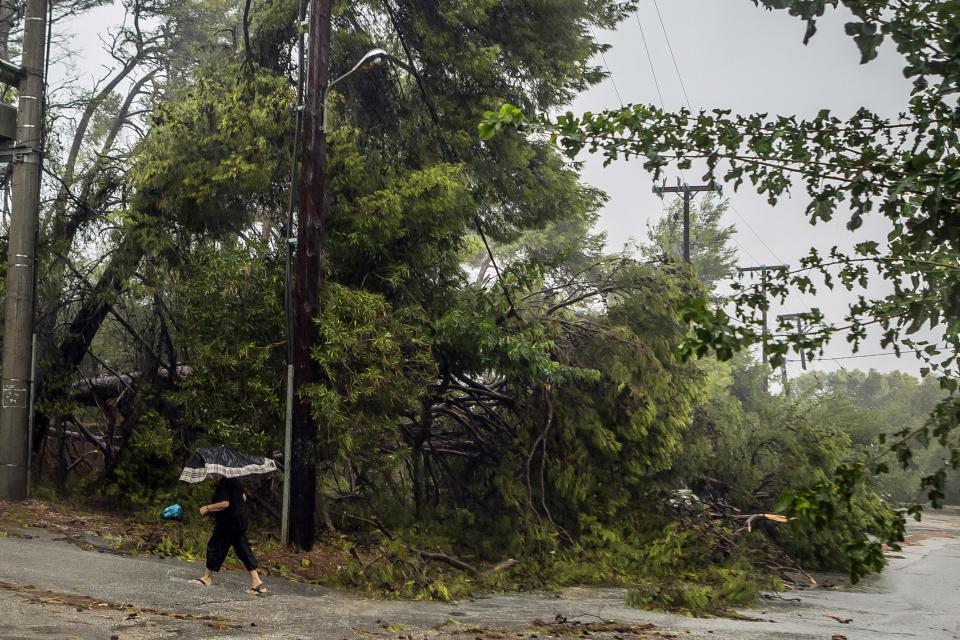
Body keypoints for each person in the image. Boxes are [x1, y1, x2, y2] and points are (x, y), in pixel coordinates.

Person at [191, 473, 267, 594]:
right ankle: (257, 581)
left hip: (228, 522)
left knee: (214, 545)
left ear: (220, 471)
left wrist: (207, 508)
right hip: (240, 521)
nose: (211, 475)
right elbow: (243, 498)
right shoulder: (235, 481)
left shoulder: (224, 483)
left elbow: (224, 503)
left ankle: (207, 578)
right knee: (242, 549)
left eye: (213, 473)